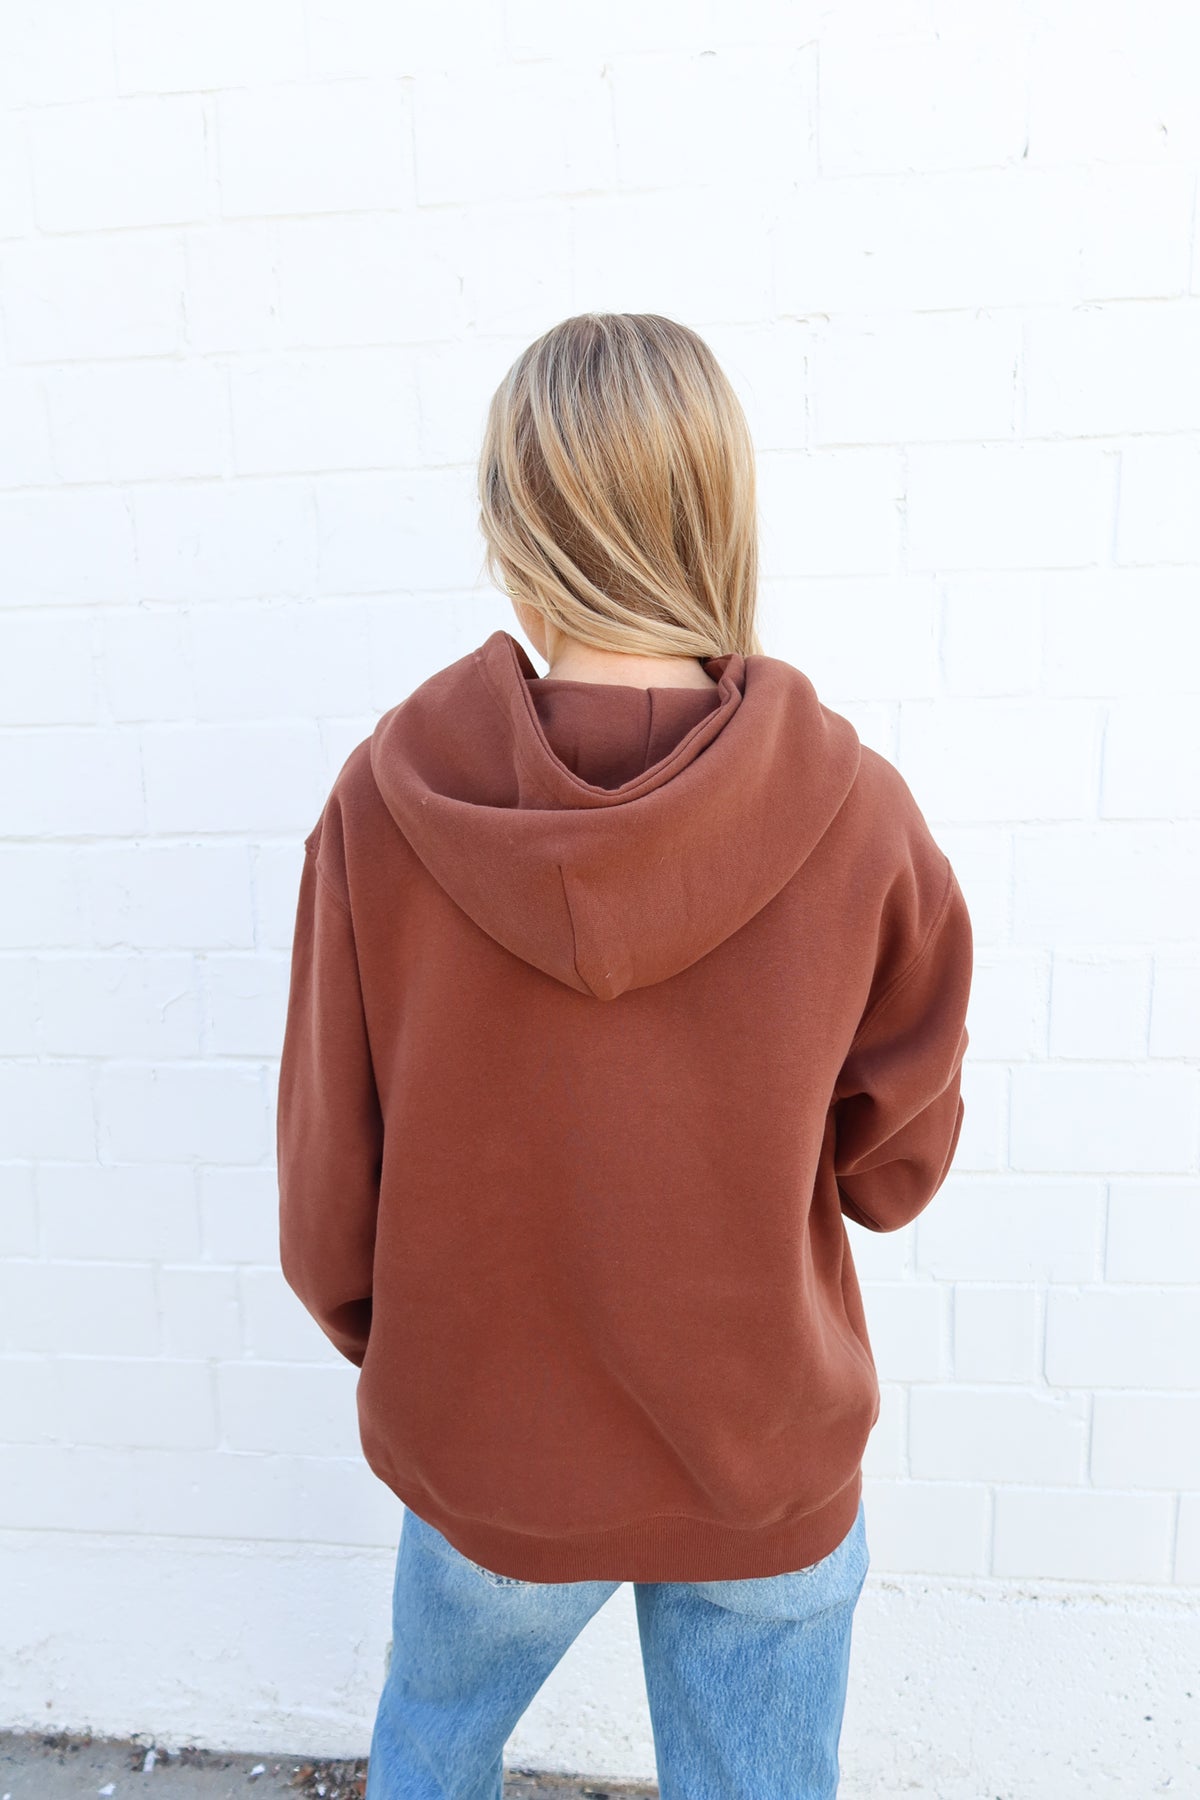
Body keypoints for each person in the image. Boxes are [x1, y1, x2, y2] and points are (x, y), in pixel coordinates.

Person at [276, 313, 973, 1799]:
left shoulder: (386, 805)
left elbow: (332, 1173)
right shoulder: (856, 813)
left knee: (432, 1750)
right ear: (720, 511)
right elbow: (896, 1168)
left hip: (489, 1439)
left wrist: (403, 1345)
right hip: (762, 1443)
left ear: (513, 523)